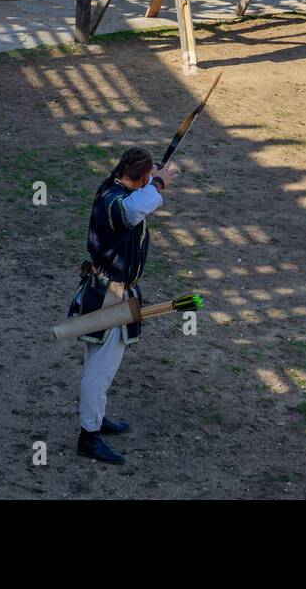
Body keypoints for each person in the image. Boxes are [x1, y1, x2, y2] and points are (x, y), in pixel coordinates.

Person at [68, 146, 177, 464]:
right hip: (108, 298)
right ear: (140, 178)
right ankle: (89, 437)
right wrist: (156, 183)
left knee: (101, 367)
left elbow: (135, 202)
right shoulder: (117, 202)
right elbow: (132, 212)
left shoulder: (113, 186)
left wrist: (149, 177)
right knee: (98, 371)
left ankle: (97, 419)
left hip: (107, 293)